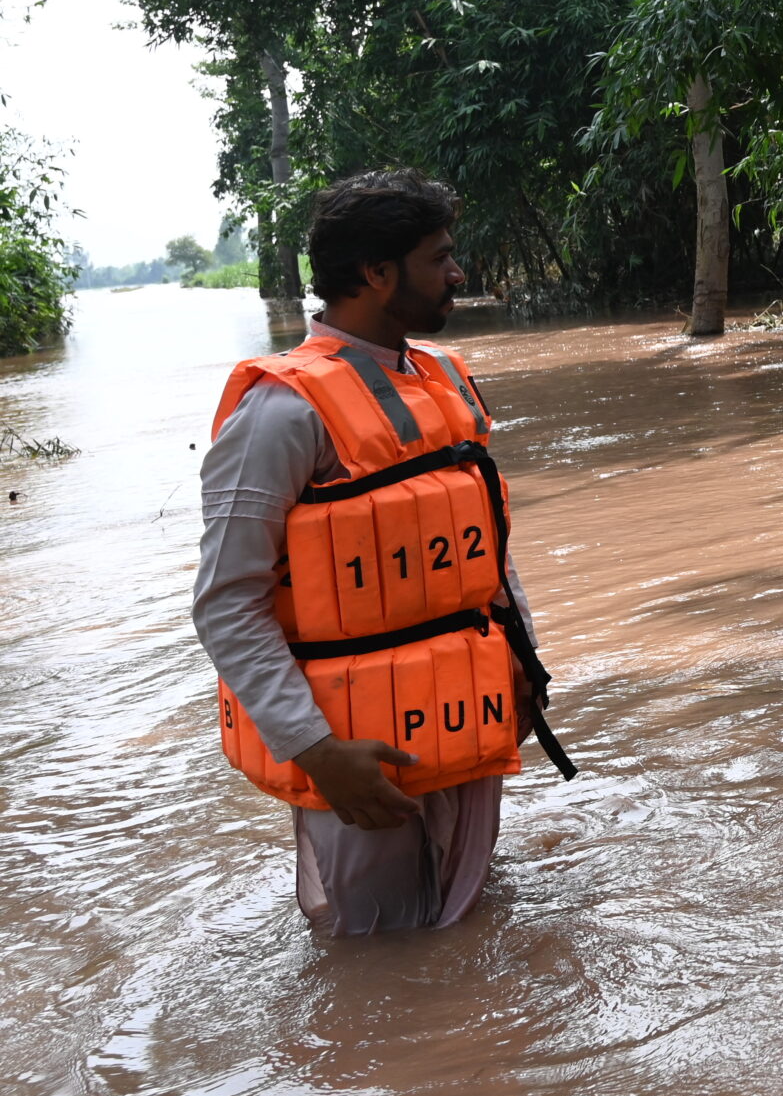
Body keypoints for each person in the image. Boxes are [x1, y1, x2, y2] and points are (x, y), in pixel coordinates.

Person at [193, 170, 572, 936]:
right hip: (353, 749)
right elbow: (226, 602)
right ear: (376, 274)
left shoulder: (442, 380)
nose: (457, 274)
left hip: (466, 711)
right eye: (440, 258)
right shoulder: (280, 413)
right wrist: (318, 751)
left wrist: (524, 667)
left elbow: (483, 547)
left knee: (463, 940)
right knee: (376, 955)